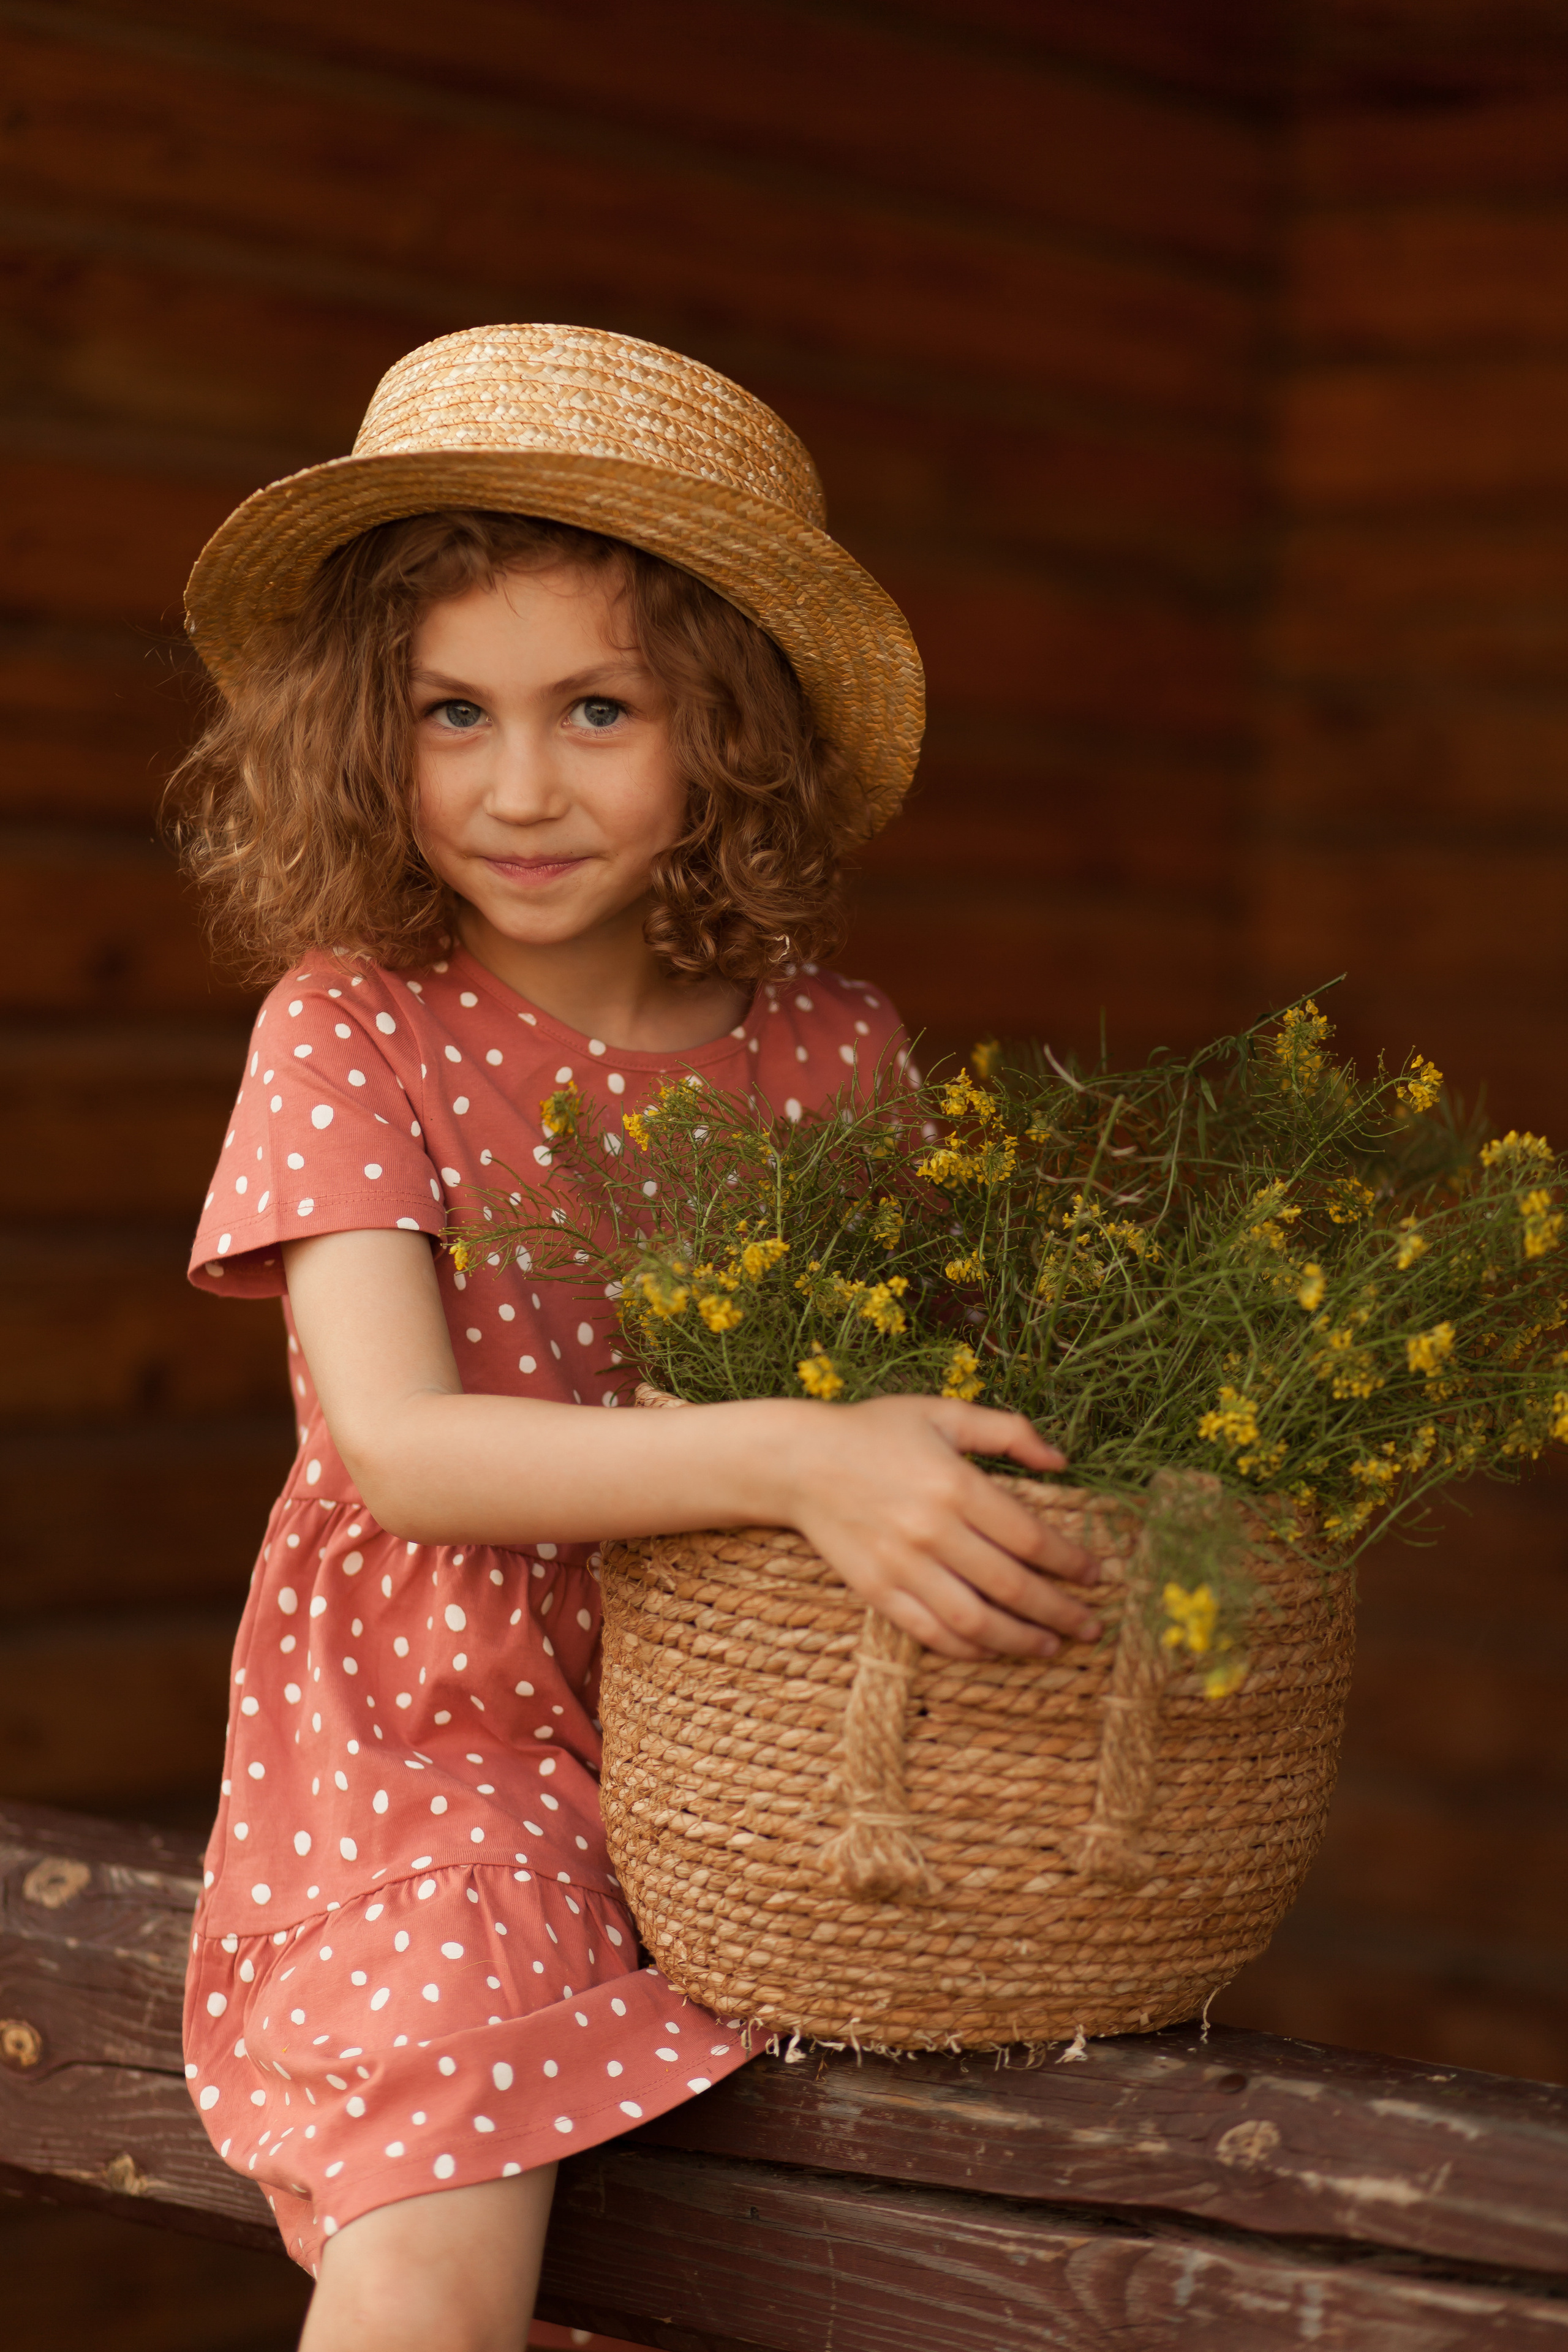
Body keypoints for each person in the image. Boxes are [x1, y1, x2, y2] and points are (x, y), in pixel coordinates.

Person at [172, 323, 1102, 2352]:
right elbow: (401, 1452)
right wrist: (792, 1449)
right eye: (450, 716)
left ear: (728, 733)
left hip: (740, 1753)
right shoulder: (354, 1023)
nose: (520, 789)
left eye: (599, 709)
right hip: (435, 1758)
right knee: (439, 2218)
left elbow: (910, 1418)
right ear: (360, 732)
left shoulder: (828, 1051)